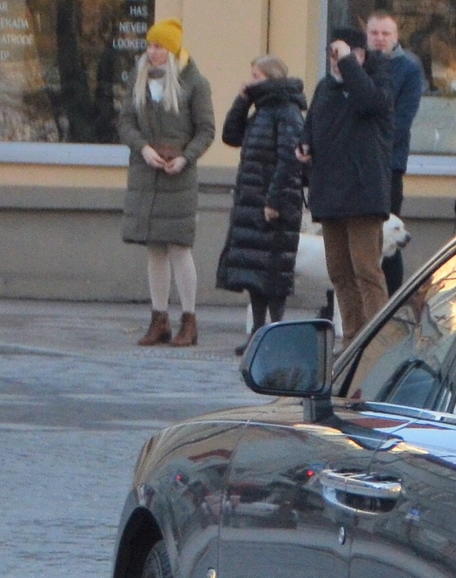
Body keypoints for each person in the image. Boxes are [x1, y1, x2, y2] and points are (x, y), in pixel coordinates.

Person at [116, 18, 216, 347]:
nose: (152, 51)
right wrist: (143, 148)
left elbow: (206, 129)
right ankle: (159, 319)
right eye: (150, 45)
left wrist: (186, 157)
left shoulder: (194, 82)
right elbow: (126, 122)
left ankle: (189, 319)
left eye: (158, 46)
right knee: (154, 248)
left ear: (171, 50)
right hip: (147, 174)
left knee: (179, 248)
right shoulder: (139, 78)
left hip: (179, 175)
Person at [302, 22, 395, 341]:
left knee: (366, 271)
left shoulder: (376, 82)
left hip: (363, 194)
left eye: (340, 54)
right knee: (340, 272)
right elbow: (311, 124)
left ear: (360, 56)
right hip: (330, 194)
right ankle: (353, 338)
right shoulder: (324, 88)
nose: (334, 61)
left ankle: (378, 343)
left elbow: (369, 101)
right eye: (331, 54)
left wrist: (349, 63)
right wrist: (304, 145)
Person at [216, 55, 307, 355]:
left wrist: (275, 200)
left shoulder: (287, 111)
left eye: (255, 76)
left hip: (274, 202)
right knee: (255, 274)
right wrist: (242, 100)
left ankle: (275, 332)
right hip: (252, 199)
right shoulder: (262, 110)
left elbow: (289, 159)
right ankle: (257, 332)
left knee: (274, 273)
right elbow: (231, 135)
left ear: (270, 79)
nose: (249, 81)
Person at [367, 11, 424, 298]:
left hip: (388, 165)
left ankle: (391, 304)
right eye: (374, 33)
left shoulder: (409, 69)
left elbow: (400, 122)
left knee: (389, 236)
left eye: (385, 33)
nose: (378, 39)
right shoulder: (357, 65)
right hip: (355, 168)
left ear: (396, 36)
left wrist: (367, 146)